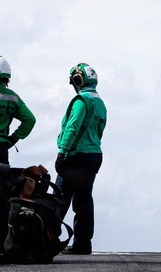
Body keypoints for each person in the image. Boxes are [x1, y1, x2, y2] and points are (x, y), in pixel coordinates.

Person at [55, 63, 107, 255]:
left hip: (75, 156)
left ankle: (49, 240)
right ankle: (83, 244)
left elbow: (72, 127)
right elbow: (100, 130)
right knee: (84, 200)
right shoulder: (100, 102)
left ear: (78, 80)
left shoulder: (81, 101)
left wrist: (63, 151)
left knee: (59, 199)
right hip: (94, 155)